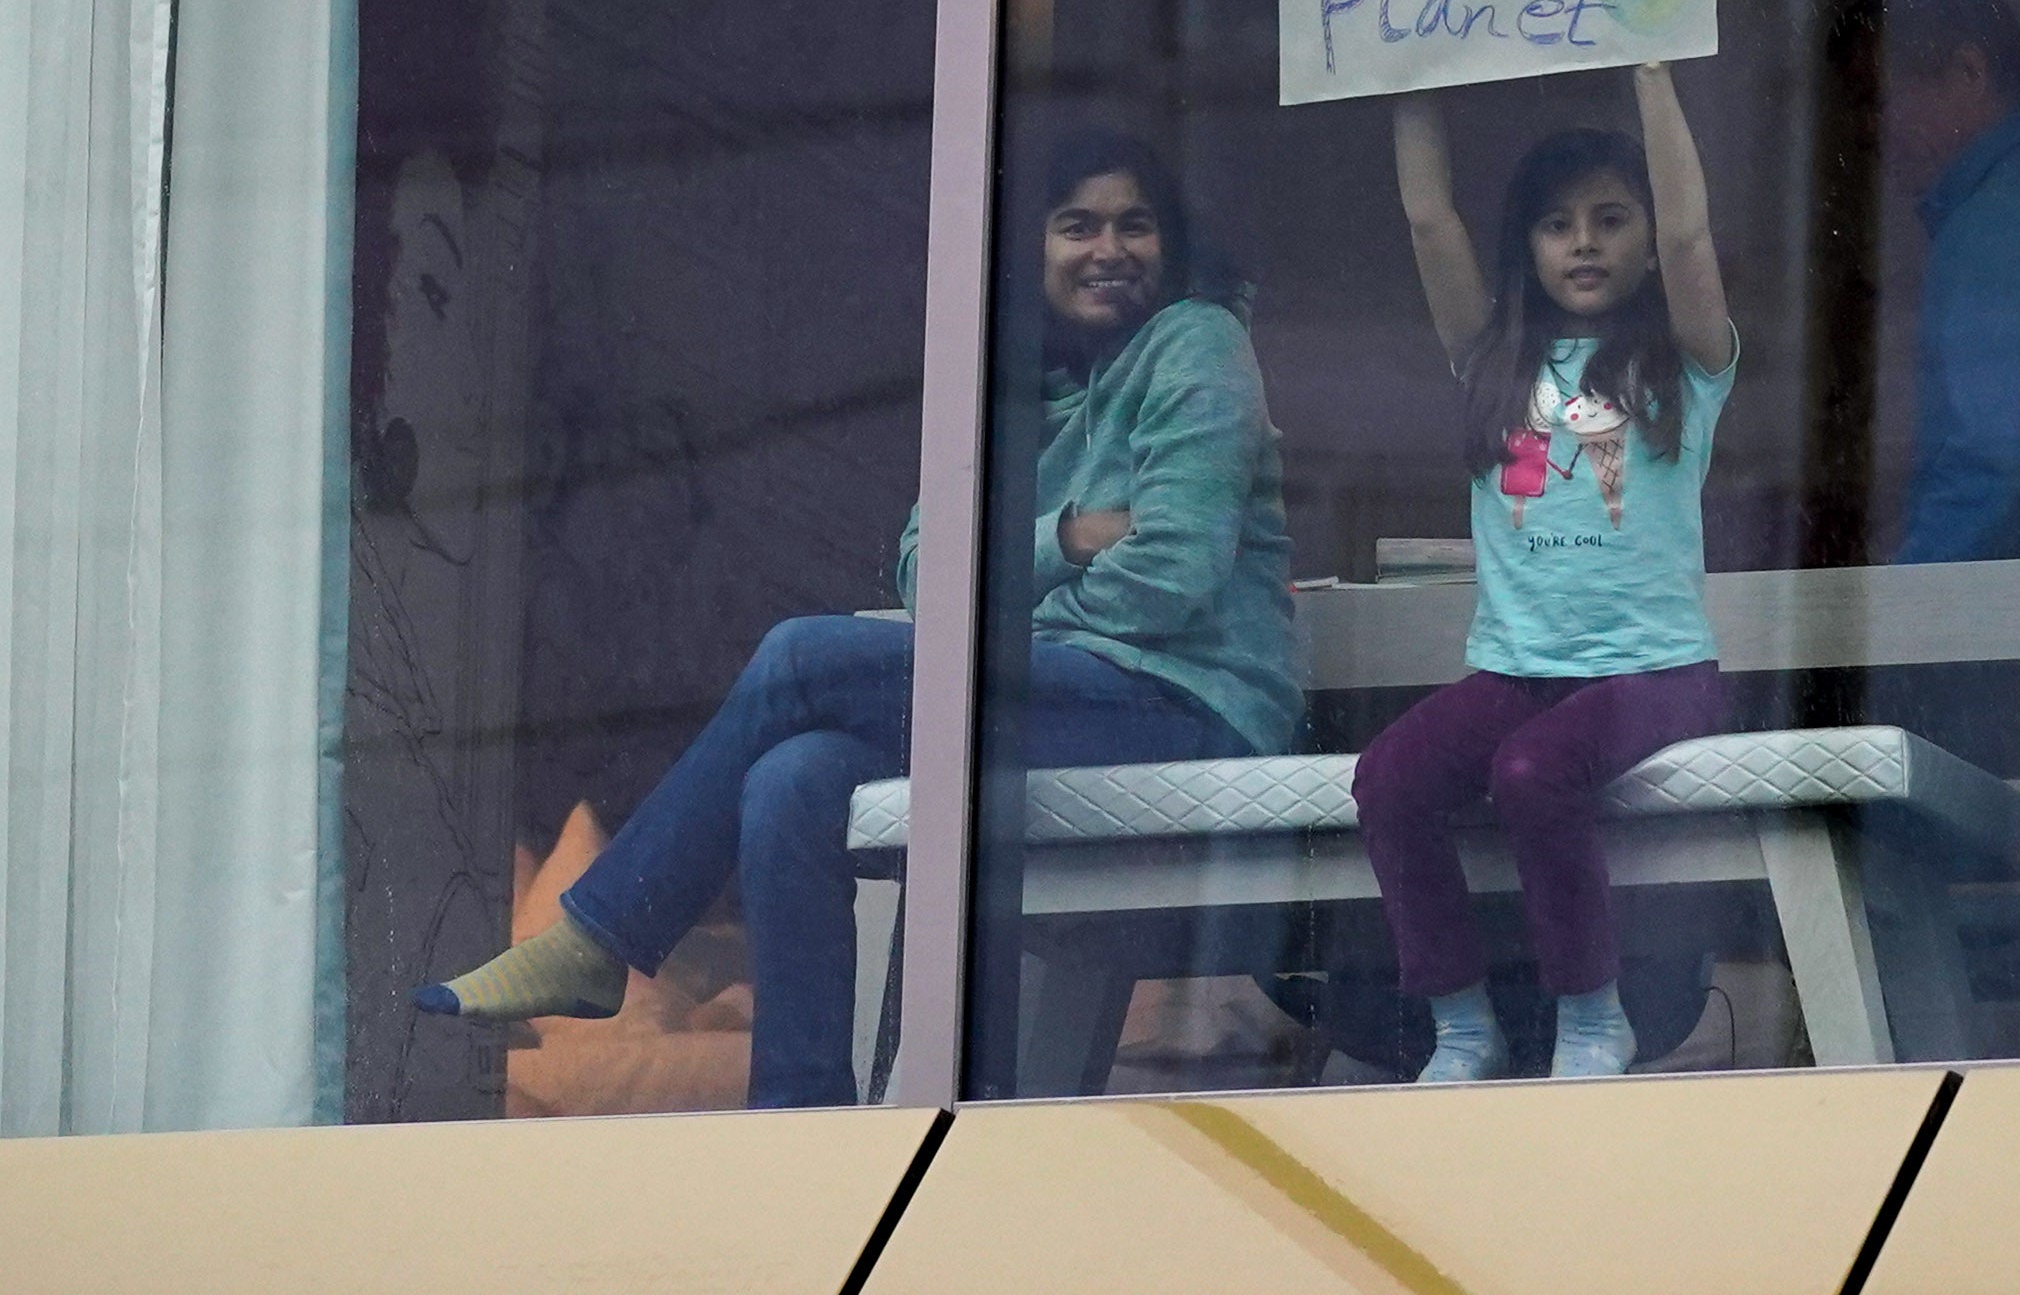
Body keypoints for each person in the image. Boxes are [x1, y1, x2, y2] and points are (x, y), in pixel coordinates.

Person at [415, 131, 1302, 1107]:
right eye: (1077, 225)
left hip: (1179, 708)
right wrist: (1071, 537)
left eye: (1135, 224)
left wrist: (1017, 604)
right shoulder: (1005, 384)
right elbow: (930, 572)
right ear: (1035, 248)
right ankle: (801, 1115)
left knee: (803, 655)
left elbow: (1170, 577)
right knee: (793, 776)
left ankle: (599, 939)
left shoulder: (1196, 342)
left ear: (1167, 244)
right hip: (1048, 700)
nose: (1109, 248)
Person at [1353, 63, 1737, 1083]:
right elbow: (1431, 221)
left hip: (1654, 673)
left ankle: (1590, 1017)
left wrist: (1650, 65)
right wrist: (1403, 68)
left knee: (1531, 774)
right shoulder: (1492, 360)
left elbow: (1696, 234)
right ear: (1525, 244)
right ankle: (1462, 1023)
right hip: (1519, 672)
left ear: (1647, 243)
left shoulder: (1687, 363)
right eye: (1558, 224)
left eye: (1612, 220)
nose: (1584, 242)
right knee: (1389, 778)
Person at [1835, 0, 2020, 564]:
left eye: (1877, 99)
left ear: (1970, 72)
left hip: (2006, 610)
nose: (1865, 130)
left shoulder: (2003, 224)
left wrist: (1905, 618)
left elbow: (1989, 466)